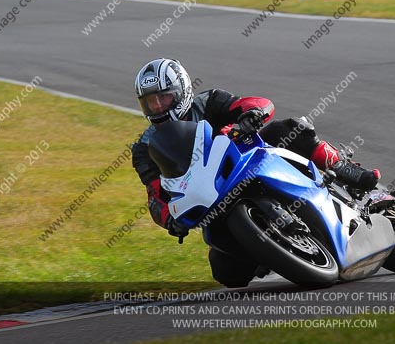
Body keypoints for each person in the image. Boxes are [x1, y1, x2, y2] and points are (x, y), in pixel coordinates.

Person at [130, 58, 380, 287]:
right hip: (212, 198)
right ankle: (272, 252)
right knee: (226, 273)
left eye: (164, 98)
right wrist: (168, 219)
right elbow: (155, 194)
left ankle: (345, 169)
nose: (158, 107)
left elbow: (256, 103)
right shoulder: (144, 148)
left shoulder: (208, 101)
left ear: (182, 92)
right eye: (150, 103)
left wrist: (252, 114)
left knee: (289, 130)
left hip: (248, 159)